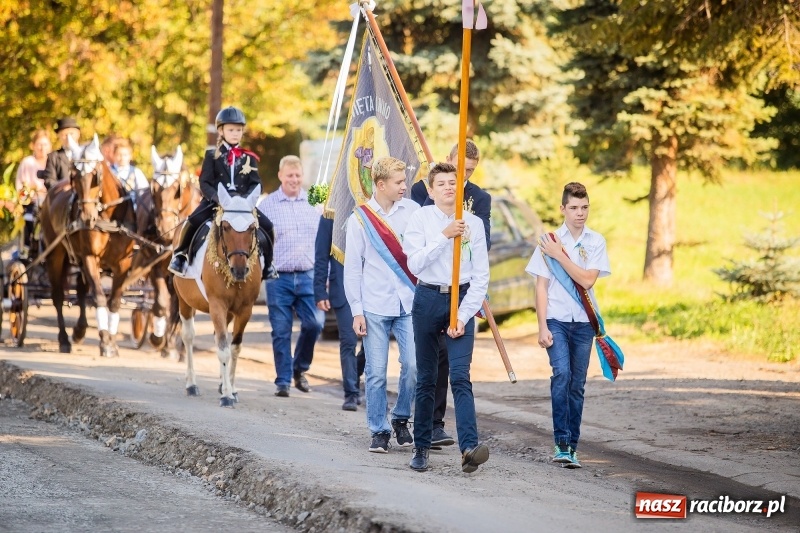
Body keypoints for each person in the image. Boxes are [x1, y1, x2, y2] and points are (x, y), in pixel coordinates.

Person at [403, 162, 490, 473]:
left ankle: (469, 447)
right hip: (427, 298)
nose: (449, 188)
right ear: (430, 190)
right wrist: (444, 236)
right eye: (441, 184)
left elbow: (481, 277)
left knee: (460, 376)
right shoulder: (419, 219)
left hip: (462, 298)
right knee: (426, 378)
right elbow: (414, 263)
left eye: (453, 182)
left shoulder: (474, 224)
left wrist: (463, 316)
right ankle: (421, 447)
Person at [524, 182, 610, 469]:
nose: (580, 213)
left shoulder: (596, 241)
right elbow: (541, 287)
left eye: (584, 207)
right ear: (562, 209)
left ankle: (572, 445)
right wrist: (541, 327)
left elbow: (587, 280)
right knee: (561, 374)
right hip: (556, 320)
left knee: (577, 384)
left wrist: (560, 255)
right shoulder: (548, 240)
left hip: (584, 323)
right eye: (573, 208)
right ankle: (561, 441)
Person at [343, 156, 419, 453]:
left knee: (412, 366)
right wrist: (356, 310)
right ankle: (379, 430)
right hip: (374, 304)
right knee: (376, 371)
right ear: (381, 184)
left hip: (409, 303)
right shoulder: (359, 219)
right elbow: (353, 268)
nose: (404, 186)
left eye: (404, 180)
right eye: (399, 182)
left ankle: (401, 417)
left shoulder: (413, 212)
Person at [168, 106, 275, 280]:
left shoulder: (249, 157)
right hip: (216, 202)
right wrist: (216, 198)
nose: (235, 133)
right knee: (193, 220)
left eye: (238, 130)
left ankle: (269, 265)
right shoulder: (212, 155)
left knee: (268, 225)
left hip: (242, 205)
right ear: (221, 130)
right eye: (231, 130)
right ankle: (181, 256)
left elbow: (256, 183)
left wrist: (246, 200)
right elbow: (205, 182)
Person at [258, 155, 322, 397]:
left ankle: (299, 368)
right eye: (289, 176)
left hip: (308, 275)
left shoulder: (314, 202)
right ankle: (283, 381)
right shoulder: (267, 206)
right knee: (281, 330)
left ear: (302, 177)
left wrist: (323, 276)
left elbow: (323, 242)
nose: (294, 180)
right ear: (280, 176)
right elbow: (258, 242)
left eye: (297, 175)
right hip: (278, 278)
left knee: (315, 324)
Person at [314, 215, 366, 411]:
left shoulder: (376, 207)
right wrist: (319, 290)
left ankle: (355, 372)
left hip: (373, 289)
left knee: (372, 343)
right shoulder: (331, 214)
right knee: (349, 340)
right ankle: (351, 393)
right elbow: (321, 255)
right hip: (342, 288)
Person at [15, 129, 52, 258]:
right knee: (31, 217)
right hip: (32, 203)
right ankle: (29, 248)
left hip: (51, 203)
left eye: (45, 144)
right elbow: (20, 188)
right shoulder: (27, 162)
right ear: (34, 146)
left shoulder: (53, 162)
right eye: (39, 144)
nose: (42, 148)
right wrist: (31, 192)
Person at [39, 117, 81, 190]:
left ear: (78, 133)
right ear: (59, 136)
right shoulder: (53, 157)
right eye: (65, 135)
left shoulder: (86, 154)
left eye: (71, 134)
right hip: (63, 197)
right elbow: (49, 181)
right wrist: (65, 187)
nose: (68, 138)